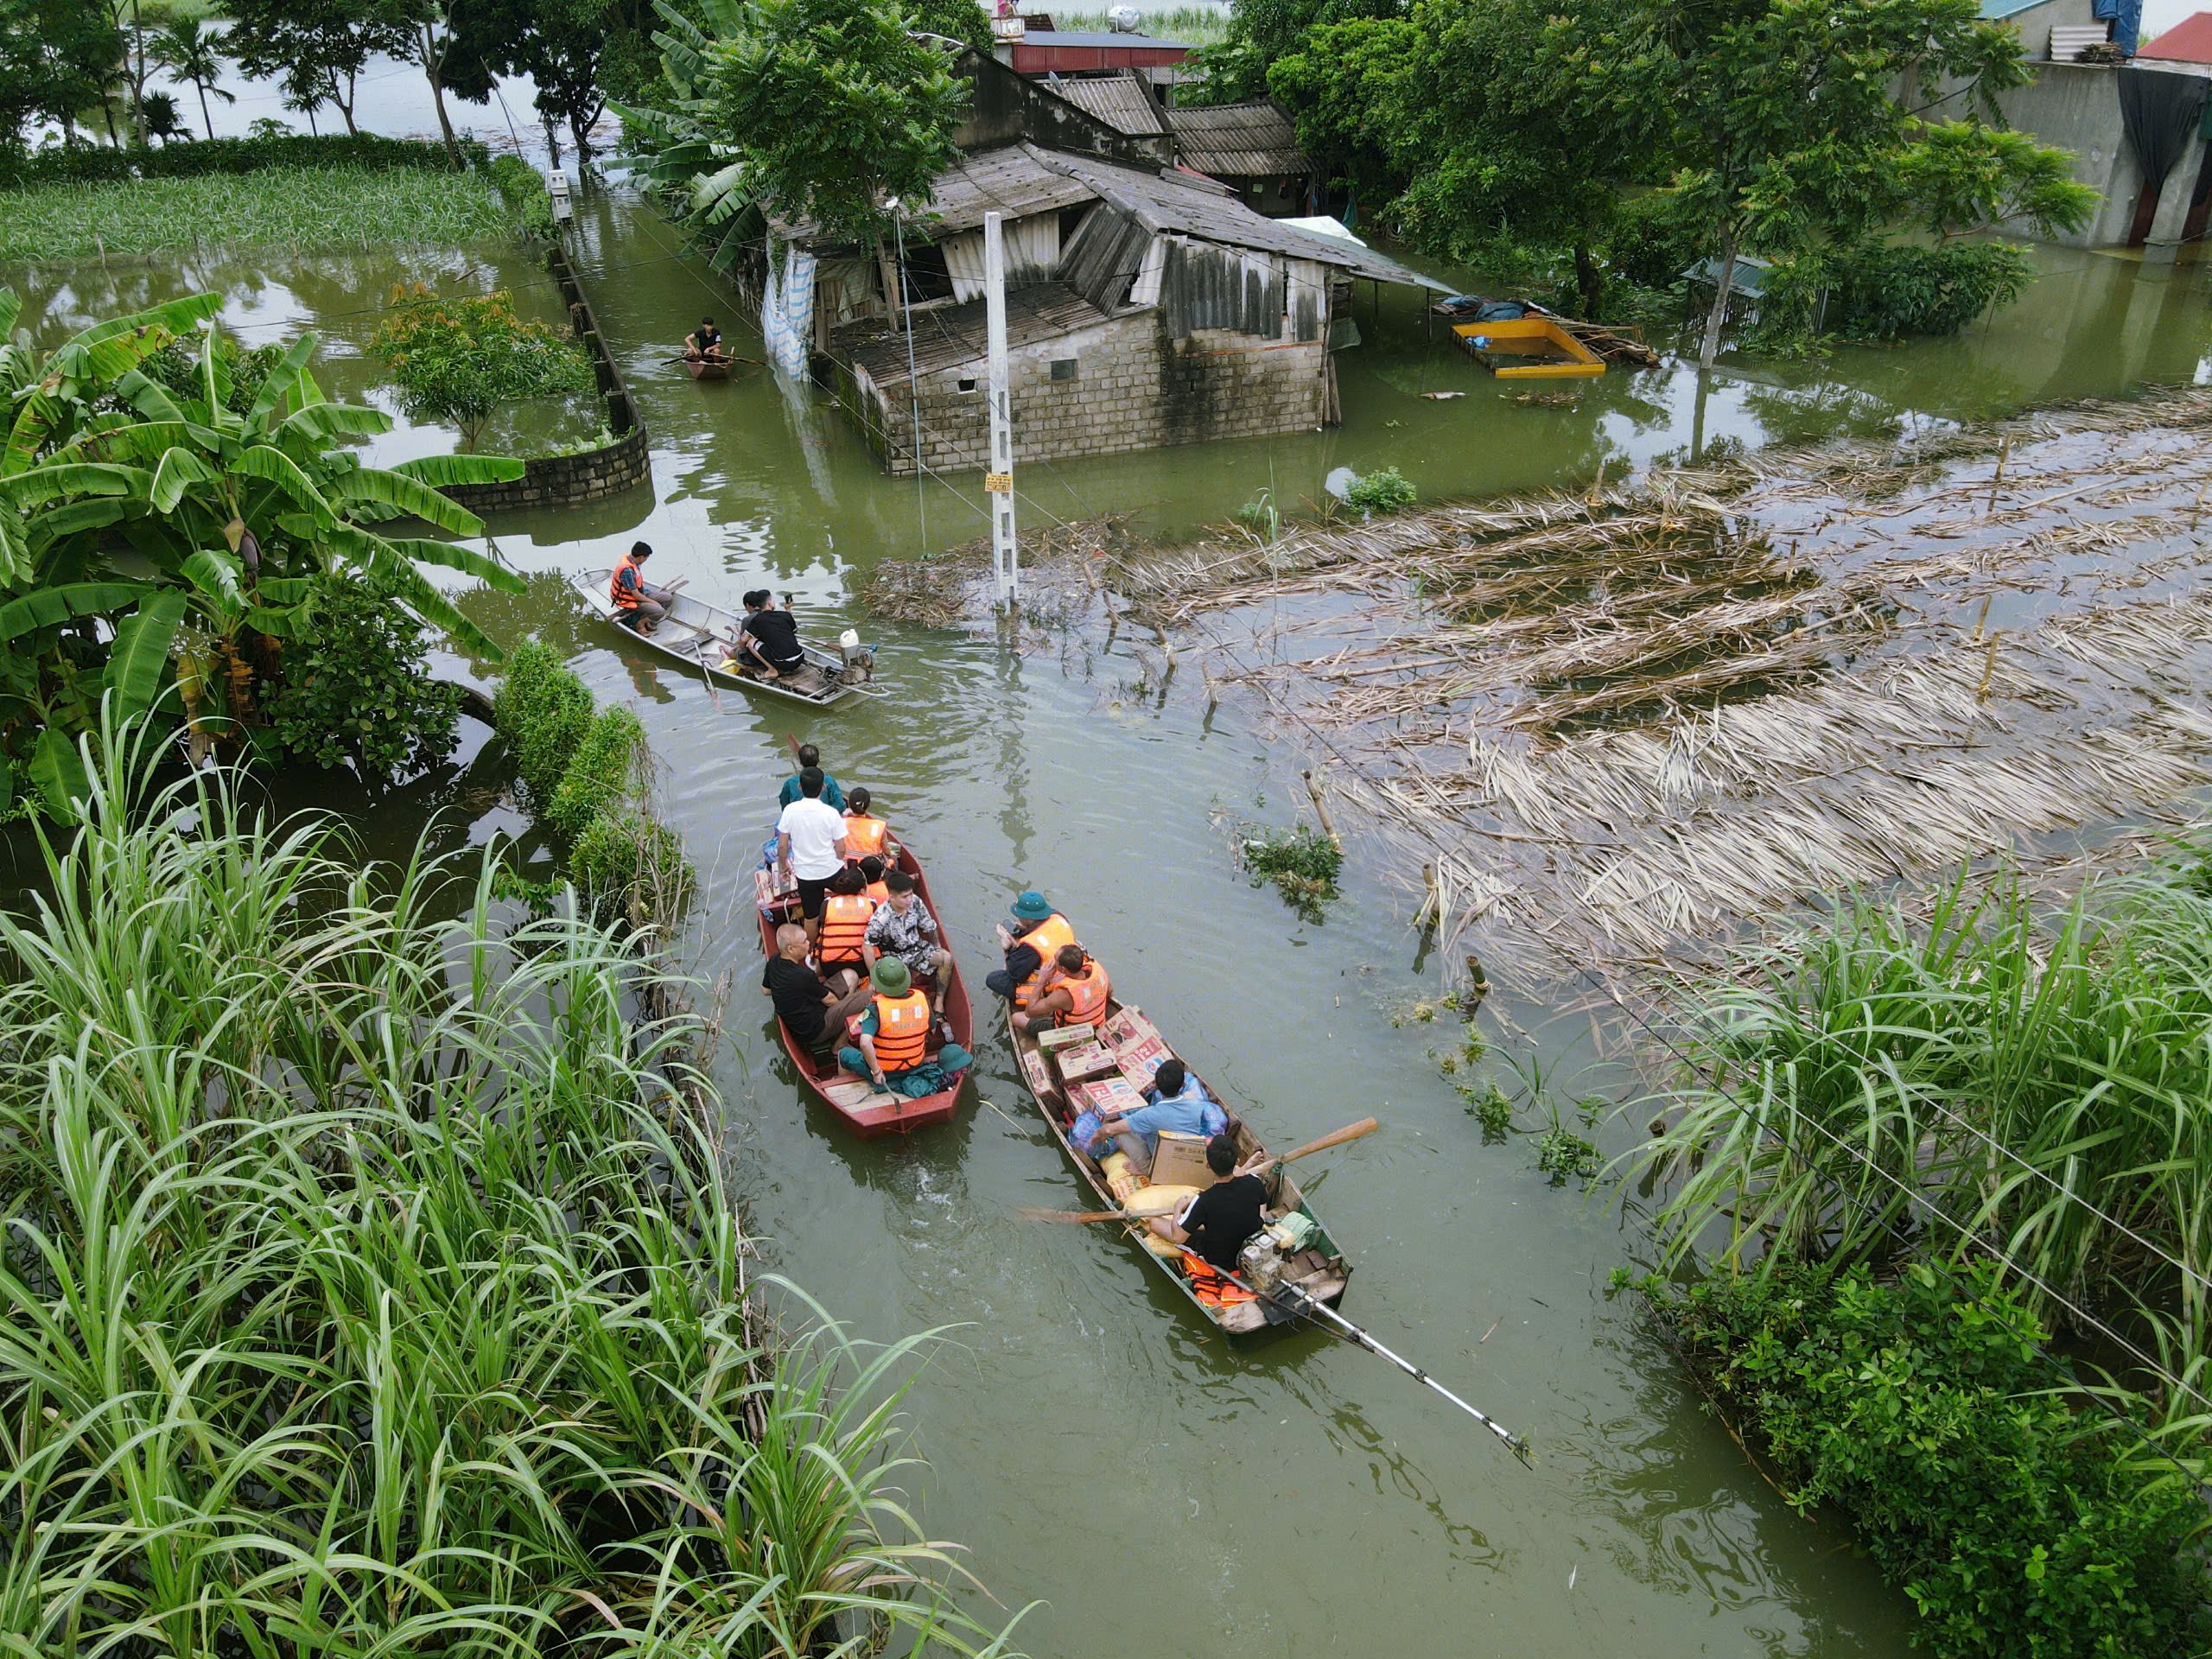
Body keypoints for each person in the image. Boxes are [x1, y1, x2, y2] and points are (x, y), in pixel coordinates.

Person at [838, 957, 971, 1093]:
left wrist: (877, 1072)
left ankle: (842, 1088)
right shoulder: (921, 1000)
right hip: (916, 1065)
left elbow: (865, 1043)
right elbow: (932, 1028)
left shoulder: (875, 1009)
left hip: (886, 1072)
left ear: (879, 985)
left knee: (843, 1054)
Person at [1148, 1135, 1272, 1273]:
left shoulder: (1203, 1201)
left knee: (1155, 1223)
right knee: (1218, 1219)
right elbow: (1263, 1202)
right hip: (1251, 1245)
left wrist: (1178, 1208)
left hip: (1221, 1261)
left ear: (1208, 1165)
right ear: (1236, 1161)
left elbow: (1178, 1238)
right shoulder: (1254, 1181)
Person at [1084, 1057, 1227, 1176]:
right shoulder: (1195, 1102)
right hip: (1186, 1160)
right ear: (1183, 1084)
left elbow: (1109, 1130)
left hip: (1160, 1167)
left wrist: (1097, 1135)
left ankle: (1145, 1169)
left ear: (1156, 1087)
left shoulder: (1150, 1115)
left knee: (1120, 1133)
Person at [762, 921, 873, 1058]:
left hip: (810, 1009)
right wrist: (851, 1003)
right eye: (804, 942)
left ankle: (843, 1021)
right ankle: (839, 1045)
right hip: (816, 1029)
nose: (808, 943)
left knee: (851, 975)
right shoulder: (803, 976)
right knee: (869, 997)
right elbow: (831, 1001)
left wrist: (788, 990)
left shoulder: (774, 962)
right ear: (791, 949)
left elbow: (766, 990)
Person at [863, 868, 952, 1020]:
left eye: (910, 894)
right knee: (891, 986)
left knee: (946, 958)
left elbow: (929, 927)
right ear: (891, 897)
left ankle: (939, 1001)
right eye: (905, 897)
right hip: (894, 957)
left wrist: (937, 947)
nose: (909, 899)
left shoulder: (916, 902)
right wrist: (874, 975)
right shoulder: (881, 917)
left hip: (916, 948)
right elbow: (867, 947)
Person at [775, 766, 849, 941]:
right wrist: (839, 860)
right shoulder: (831, 813)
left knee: (811, 918)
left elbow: (782, 846)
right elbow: (841, 848)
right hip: (832, 871)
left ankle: (811, 954)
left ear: (800, 787)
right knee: (849, 900)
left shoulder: (790, 811)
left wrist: (784, 865)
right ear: (823, 787)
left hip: (806, 876)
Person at [985, 891, 1074, 1010]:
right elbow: (1046, 934)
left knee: (993, 979)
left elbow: (1015, 974)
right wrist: (1025, 932)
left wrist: (1008, 947)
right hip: (1068, 972)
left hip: (1048, 985)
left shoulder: (1031, 946)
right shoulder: (1058, 917)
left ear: (1026, 918)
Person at [1013, 943, 1109, 1033]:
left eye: (1055, 959)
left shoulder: (1064, 993)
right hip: (1097, 1025)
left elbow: (1029, 1012)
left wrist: (1041, 981)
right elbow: (1110, 991)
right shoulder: (1097, 970)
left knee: (1016, 1018)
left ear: (1063, 969)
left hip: (1073, 1033)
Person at [815, 864, 876, 985]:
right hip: (862, 965)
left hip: (830, 966)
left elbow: (821, 927)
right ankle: (873, 980)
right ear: (862, 889)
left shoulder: (827, 903)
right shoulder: (870, 904)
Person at [737, 589, 806, 679]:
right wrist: (788, 609)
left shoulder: (757, 620)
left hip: (783, 663)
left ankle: (772, 670)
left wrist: (741, 651)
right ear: (770, 603)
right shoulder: (785, 615)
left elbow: (743, 640)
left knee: (751, 641)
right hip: (800, 657)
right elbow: (792, 631)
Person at [609, 541, 671, 636]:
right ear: (641, 557)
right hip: (628, 600)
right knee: (660, 611)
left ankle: (645, 620)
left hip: (640, 593)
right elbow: (636, 595)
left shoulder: (632, 560)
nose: (646, 560)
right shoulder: (627, 571)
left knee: (667, 598)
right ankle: (640, 624)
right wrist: (653, 602)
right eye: (646, 558)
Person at [777, 743, 845, 810]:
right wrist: (827, 814)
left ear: (800, 762)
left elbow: (784, 804)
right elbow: (840, 805)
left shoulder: (790, 783)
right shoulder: (829, 780)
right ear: (818, 760)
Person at [842, 786, 893, 863]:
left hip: (845, 867)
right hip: (871, 869)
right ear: (868, 805)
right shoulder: (878, 826)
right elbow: (886, 851)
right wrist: (892, 854)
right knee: (894, 856)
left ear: (849, 804)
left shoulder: (841, 823)